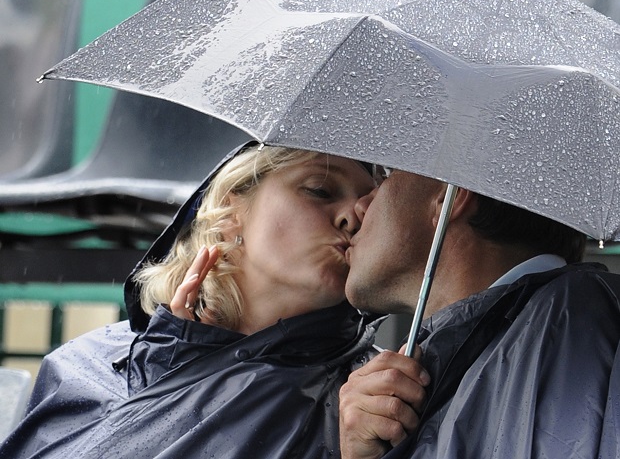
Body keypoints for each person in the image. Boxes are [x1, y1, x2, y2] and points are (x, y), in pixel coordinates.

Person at [1, 143, 389, 459]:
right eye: (320, 189)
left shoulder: (376, 399)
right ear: (233, 209)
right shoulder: (86, 364)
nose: (351, 219)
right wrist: (186, 362)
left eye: (368, 209)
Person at [339, 170, 620, 458]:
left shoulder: (575, 327)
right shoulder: (470, 357)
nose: (358, 208)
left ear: (450, 195)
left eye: (386, 176)